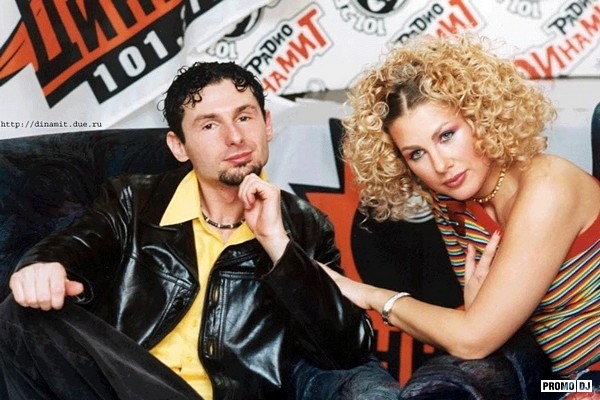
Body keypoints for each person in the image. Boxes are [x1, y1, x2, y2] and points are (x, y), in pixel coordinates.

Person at [0, 61, 401, 399]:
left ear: (267, 124)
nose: (235, 137)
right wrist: (44, 266)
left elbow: (345, 351)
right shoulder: (132, 201)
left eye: (244, 117)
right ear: (178, 146)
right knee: (20, 315)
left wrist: (278, 245)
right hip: (126, 386)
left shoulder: (305, 227)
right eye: (209, 125)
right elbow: (75, 245)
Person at [322, 33, 600, 397]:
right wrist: (477, 313)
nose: (440, 165)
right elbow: (479, 322)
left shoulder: (549, 187)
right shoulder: (451, 200)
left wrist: (370, 296)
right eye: (416, 153)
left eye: (447, 135)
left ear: (480, 116)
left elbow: (473, 337)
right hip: (561, 383)